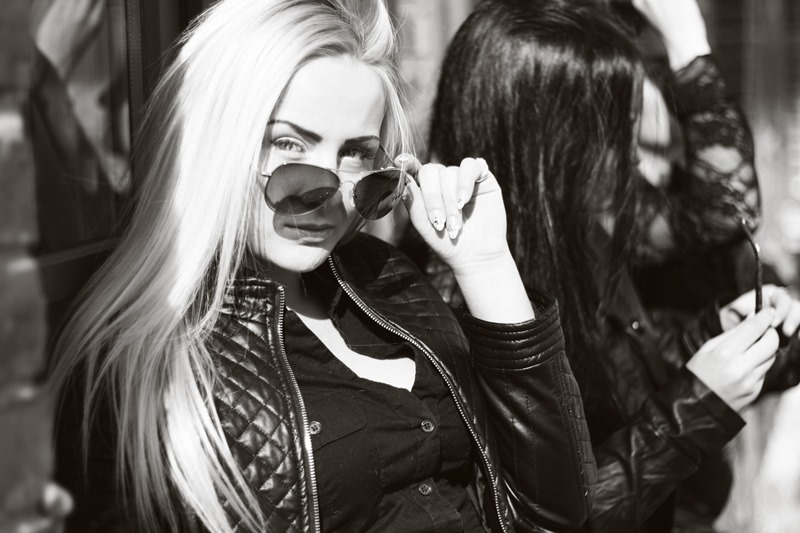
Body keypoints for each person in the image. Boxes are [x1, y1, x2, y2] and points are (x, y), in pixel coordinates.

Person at [48, 1, 595, 532]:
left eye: (355, 153)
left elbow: (555, 510)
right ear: (214, 143)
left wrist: (485, 265)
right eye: (288, 143)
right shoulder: (136, 365)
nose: (327, 193)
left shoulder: (387, 280)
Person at [425, 0, 800, 532]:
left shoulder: (573, 229)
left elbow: (612, 379)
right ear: (552, 142)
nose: (634, 158)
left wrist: (711, 335)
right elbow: (551, 515)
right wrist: (697, 405)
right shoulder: (458, 297)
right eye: (619, 134)